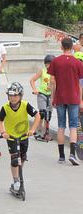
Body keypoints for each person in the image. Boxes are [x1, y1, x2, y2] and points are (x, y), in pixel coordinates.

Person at [0, 82, 40, 192]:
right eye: (10, 95)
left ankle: (19, 174)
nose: (13, 98)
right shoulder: (5, 108)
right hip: (11, 137)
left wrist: (32, 130)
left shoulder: (26, 105)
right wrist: (3, 133)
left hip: (24, 136)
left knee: (23, 157)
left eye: (15, 95)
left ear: (20, 96)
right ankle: (16, 180)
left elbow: (37, 116)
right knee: (15, 159)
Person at [48, 37, 83, 165]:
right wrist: (80, 100)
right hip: (73, 97)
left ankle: (61, 156)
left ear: (61, 47)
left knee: (61, 126)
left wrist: (53, 97)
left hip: (60, 97)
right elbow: (80, 84)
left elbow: (52, 81)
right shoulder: (78, 63)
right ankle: (72, 154)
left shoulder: (56, 61)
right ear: (72, 47)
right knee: (73, 126)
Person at [30, 55, 55, 139]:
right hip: (42, 94)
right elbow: (32, 80)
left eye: (51, 64)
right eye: (47, 64)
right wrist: (34, 89)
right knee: (42, 113)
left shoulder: (56, 73)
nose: (49, 66)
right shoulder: (42, 71)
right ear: (45, 64)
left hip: (51, 95)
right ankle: (38, 130)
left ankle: (46, 133)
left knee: (49, 115)